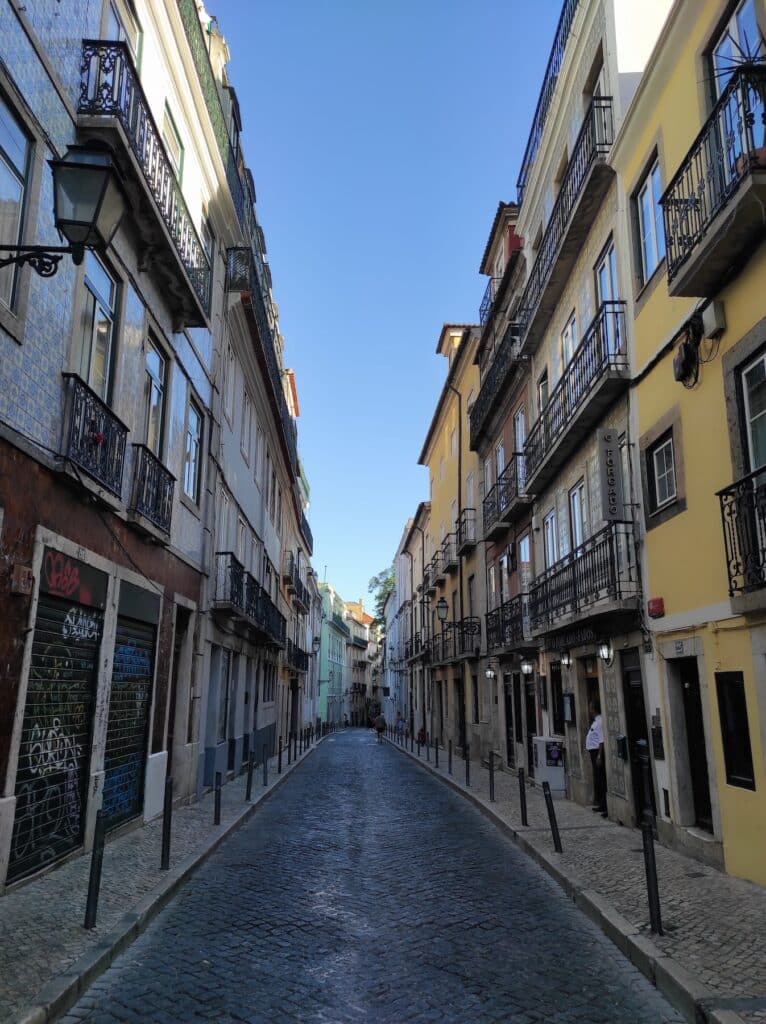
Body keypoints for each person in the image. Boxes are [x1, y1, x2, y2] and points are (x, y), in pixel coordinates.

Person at [585, 698, 607, 817]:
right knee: (598, 779)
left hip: (597, 753)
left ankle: (605, 806)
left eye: (590, 706)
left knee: (601, 779)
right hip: (593, 753)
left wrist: (599, 756)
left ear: (594, 709)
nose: (589, 709)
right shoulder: (596, 721)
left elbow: (601, 741)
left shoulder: (600, 722)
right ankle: (601, 804)